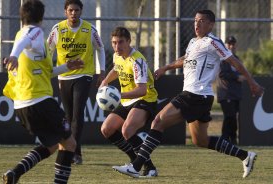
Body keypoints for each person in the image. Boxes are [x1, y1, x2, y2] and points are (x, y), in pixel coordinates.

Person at [113, 9, 264, 178]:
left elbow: (233, 61)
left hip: (196, 95)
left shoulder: (213, 42)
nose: (197, 24)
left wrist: (252, 82)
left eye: (201, 21)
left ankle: (137, 166)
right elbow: (185, 59)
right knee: (201, 140)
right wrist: (166, 67)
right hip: (199, 97)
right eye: (195, 21)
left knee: (158, 121)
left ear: (211, 24)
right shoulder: (193, 42)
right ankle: (245, 156)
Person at [2, 0, 84, 183]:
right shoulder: (34, 32)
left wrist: (66, 67)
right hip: (40, 101)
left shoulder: (21, 36)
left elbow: (47, 73)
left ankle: (14, 173)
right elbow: (28, 36)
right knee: (70, 144)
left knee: (53, 144)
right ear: (41, 17)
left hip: (22, 106)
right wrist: (14, 55)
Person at [47, 0, 106, 164]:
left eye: (77, 10)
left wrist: (101, 71)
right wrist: (48, 70)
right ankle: (75, 151)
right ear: (65, 11)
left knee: (78, 113)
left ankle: (75, 154)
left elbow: (100, 48)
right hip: (64, 76)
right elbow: (48, 50)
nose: (74, 13)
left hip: (84, 75)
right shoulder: (57, 29)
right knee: (68, 115)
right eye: (71, 10)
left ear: (81, 11)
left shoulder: (90, 29)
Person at [100, 26, 158, 177]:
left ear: (129, 42)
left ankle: (143, 166)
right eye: (114, 43)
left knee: (127, 130)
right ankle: (138, 162)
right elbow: (116, 69)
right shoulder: (117, 55)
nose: (117, 46)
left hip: (145, 99)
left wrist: (119, 95)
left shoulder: (137, 60)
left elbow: (142, 90)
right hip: (127, 100)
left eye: (120, 42)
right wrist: (105, 81)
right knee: (107, 129)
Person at [217, 36, 245, 145]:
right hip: (226, 93)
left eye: (233, 44)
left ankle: (230, 140)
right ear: (225, 45)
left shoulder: (236, 58)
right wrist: (237, 77)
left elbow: (242, 72)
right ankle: (226, 139)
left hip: (236, 94)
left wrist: (242, 76)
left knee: (232, 117)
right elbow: (222, 73)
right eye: (229, 44)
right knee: (230, 116)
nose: (231, 46)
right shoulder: (222, 58)